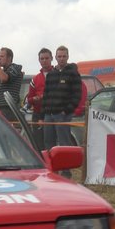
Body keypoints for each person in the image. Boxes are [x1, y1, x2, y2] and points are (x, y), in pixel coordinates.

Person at [40, 45, 82, 176]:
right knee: (49, 143)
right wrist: (43, 114)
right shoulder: (51, 74)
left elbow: (77, 95)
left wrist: (67, 110)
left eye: (64, 56)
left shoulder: (73, 73)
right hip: (49, 114)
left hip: (62, 114)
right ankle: (52, 170)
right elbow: (45, 95)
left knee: (64, 144)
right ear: (56, 58)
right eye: (59, 56)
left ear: (68, 57)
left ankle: (66, 170)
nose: (62, 59)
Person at [26, 48, 54, 151]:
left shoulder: (57, 74)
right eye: (42, 58)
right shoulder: (35, 79)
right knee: (38, 145)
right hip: (37, 114)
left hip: (52, 113)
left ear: (51, 58)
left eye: (47, 58)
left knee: (51, 145)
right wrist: (36, 98)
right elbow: (29, 99)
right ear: (39, 60)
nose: (44, 60)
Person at [0, 47, 23, 121]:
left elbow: (4, 78)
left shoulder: (15, 67)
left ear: (9, 58)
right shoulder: (3, 71)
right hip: (0, 106)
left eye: (2, 56)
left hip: (9, 107)